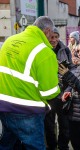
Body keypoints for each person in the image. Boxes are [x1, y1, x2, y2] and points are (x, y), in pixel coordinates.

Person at [0, 16, 60, 150]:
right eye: (51, 34)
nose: (51, 38)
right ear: (47, 31)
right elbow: (49, 92)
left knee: (7, 145)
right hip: (27, 111)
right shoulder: (44, 52)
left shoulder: (9, 40)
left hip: (4, 107)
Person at [44, 27, 72, 150]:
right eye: (52, 37)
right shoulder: (44, 50)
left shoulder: (65, 49)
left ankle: (63, 146)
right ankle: (51, 146)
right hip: (49, 90)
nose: (54, 40)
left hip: (63, 89)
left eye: (56, 37)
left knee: (64, 122)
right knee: (49, 122)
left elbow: (71, 67)